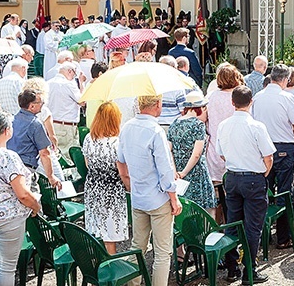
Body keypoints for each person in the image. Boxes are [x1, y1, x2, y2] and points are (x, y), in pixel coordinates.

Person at [117, 95, 182, 286]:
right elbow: (165, 169)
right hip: (157, 198)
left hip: (138, 196)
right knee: (162, 252)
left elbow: (120, 161)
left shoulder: (127, 127)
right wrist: (174, 197)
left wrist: (129, 183)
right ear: (158, 105)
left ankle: (132, 283)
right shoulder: (155, 130)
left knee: (138, 246)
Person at [217, 86, 275, 284]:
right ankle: (250, 271)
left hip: (232, 176)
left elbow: (221, 152)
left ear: (232, 103)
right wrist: (262, 172)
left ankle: (232, 267)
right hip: (252, 177)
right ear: (251, 102)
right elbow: (268, 157)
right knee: (253, 227)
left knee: (232, 223)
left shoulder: (223, 125)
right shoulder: (257, 126)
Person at [251, 64, 294, 249]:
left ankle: (264, 236)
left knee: (264, 191)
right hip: (283, 146)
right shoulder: (287, 97)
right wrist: (293, 139)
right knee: (285, 193)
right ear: (286, 79)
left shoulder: (257, 97)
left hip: (264, 148)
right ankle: (283, 237)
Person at [0, 110, 42, 286]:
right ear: (7, 130)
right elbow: (23, 193)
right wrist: (36, 206)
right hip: (9, 217)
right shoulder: (8, 156)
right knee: (7, 267)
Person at [82, 102, 128, 254]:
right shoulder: (117, 143)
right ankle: (111, 265)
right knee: (110, 233)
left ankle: (99, 261)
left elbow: (87, 164)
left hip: (93, 186)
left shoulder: (89, 138)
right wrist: (129, 187)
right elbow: (122, 171)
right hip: (112, 189)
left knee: (97, 227)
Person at [206, 63, 244, 224]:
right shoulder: (239, 97)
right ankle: (235, 226)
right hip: (236, 149)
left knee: (217, 194)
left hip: (215, 149)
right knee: (235, 195)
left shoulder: (211, 97)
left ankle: (218, 225)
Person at [168, 91, 216, 214]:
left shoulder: (174, 123)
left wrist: (175, 171)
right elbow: (197, 154)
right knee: (204, 209)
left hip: (178, 174)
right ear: (199, 108)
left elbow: (169, 150)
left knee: (185, 209)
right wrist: (184, 172)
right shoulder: (198, 125)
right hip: (197, 173)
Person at [7, 89, 63, 189]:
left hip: (9, 168)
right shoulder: (35, 124)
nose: (43, 104)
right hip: (26, 170)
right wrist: (51, 176)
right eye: (41, 102)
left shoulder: (12, 120)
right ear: (32, 106)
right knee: (33, 202)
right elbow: (44, 153)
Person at [21, 78, 64, 181]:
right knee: (60, 179)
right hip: (43, 150)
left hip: (27, 153)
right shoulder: (44, 111)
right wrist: (55, 148)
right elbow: (52, 136)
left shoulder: (23, 111)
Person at [47, 62, 84, 159]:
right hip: (66, 126)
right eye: (73, 74)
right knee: (68, 158)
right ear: (69, 71)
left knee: (54, 156)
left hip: (51, 124)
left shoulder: (48, 83)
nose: (73, 77)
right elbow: (82, 101)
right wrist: (81, 83)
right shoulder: (68, 85)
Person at [156, 56, 186, 133]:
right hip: (173, 124)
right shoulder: (178, 86)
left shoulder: (154, 84)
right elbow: (183, 109)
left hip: (157, 123)